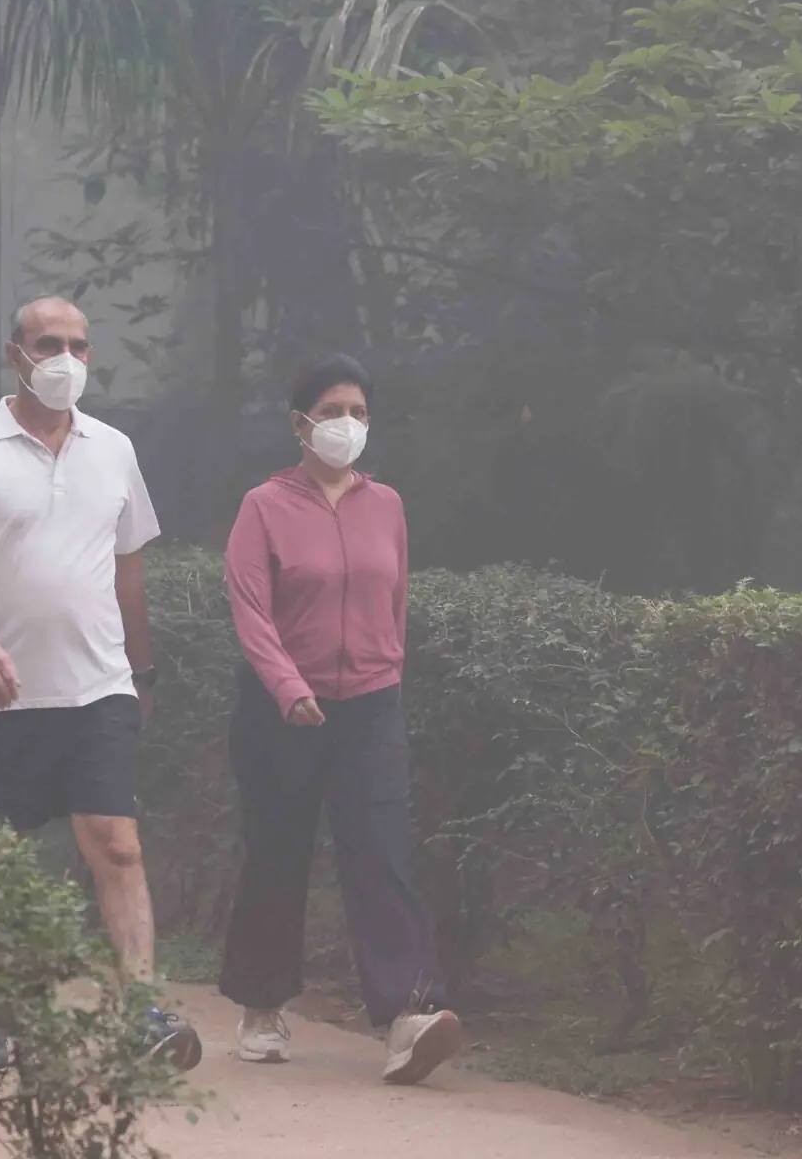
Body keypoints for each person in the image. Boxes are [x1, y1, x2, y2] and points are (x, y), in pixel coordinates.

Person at [0, 295, 202, 1072]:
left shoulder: (114, 450)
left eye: (77, 345)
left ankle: (141, 1011)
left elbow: (129, 569)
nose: (64, 359)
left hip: (97, 688)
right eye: (48, 344)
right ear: (17, 355)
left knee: (118, 845)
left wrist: (139, 671)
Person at [217, 353, 466, 1085]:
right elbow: (251, 611)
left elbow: (396, 601)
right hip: (280, 709)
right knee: (277, 854)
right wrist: (288, 687)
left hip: (369, 707)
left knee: (380, 856)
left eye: (358, 412)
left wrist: (385, 676)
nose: (347, 425)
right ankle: (261, 1007)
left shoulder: (384, 504)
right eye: (332, 412)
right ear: (300, 424)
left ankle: (408, 1016)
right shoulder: (263, 506)